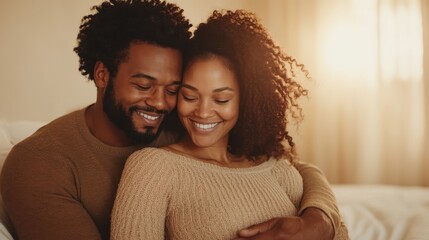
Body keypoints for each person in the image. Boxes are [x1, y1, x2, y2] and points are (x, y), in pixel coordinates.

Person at [1, 1, 341, 239]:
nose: (161, 103)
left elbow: (294, 168)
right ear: (102, 74)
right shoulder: (39, 162)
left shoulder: (184, 122)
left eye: (175, 89)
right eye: (143, 85)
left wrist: (319, 219)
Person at [111, 9, 349, 240]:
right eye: (190, 96)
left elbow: (337, 230)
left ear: (246, 100)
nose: (203, 112)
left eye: (221, 99)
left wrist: (321, 220)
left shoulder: (273, 166)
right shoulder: (153, 169)